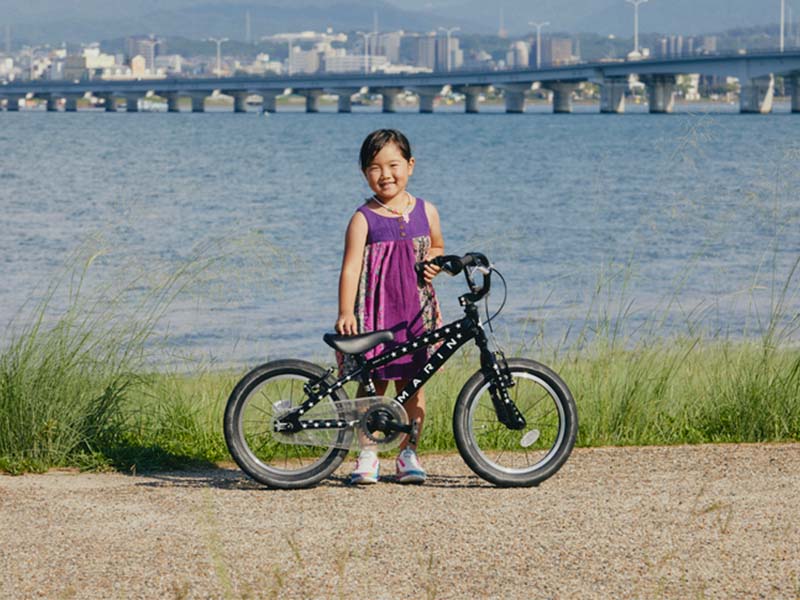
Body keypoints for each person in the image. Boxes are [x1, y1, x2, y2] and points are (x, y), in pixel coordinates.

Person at [335, 129, 444, 485]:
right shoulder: (363, 218)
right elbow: (350, 267)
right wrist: (346, 312)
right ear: (364, 173)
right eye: (374, 167)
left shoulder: (426, 211)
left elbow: (438, 248)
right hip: (375, 312)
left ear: (410, 166)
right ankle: (367, 455)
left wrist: (434, 261)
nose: (385, 174)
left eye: (393, 165)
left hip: (414, 312)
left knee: (414, 384)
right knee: (372, 385)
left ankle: (408, 453)